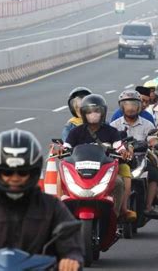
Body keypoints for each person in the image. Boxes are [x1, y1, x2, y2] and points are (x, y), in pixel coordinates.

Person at [0, 129, 83, 271]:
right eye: (7, 172)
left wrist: (71, 258)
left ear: (33, 172)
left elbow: (70, 242)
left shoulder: (52, 206)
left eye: (22, 172)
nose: (15, 177)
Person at [64, 94, 136, 222]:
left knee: (119, 183)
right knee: (63, 177)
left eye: (97, 111)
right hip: (80, 171)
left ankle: (116, 214)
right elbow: (66, 147)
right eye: (89, 111)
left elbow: (119, 147)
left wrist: (123, 151)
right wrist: (59, 149)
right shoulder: (75, 132)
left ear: (102, 112)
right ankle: (61, 211)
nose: (93, 114)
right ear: (83, 113)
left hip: (105, 170)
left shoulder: (111, 131)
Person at [110, 90, 158, 220]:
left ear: (139, 106)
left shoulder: (147, 123)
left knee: (154, 173)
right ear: (122, 107)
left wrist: (153, 144)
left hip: (141, 158)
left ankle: (149, 206)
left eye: (134, 104)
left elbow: (153, 139)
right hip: (120, 159)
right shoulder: (114, 125)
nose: (131, 108)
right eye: (127, 105)